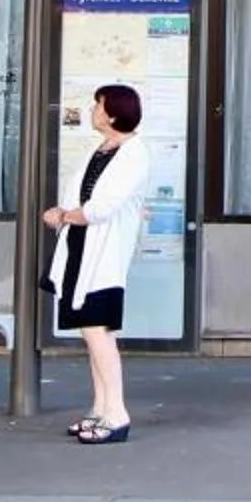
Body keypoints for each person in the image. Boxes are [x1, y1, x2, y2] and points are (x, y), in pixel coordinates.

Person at [42, 83, 152, 445]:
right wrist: (67, 215)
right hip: (81, 246)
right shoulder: (103, 148)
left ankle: (116, 413)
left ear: (112, 114)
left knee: (98, 332)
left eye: (98, 105)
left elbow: (103, 206)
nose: (92, 110)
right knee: (91, 333)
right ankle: (100, 408)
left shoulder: (133, 154)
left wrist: (64, 215)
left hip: (101, 253)